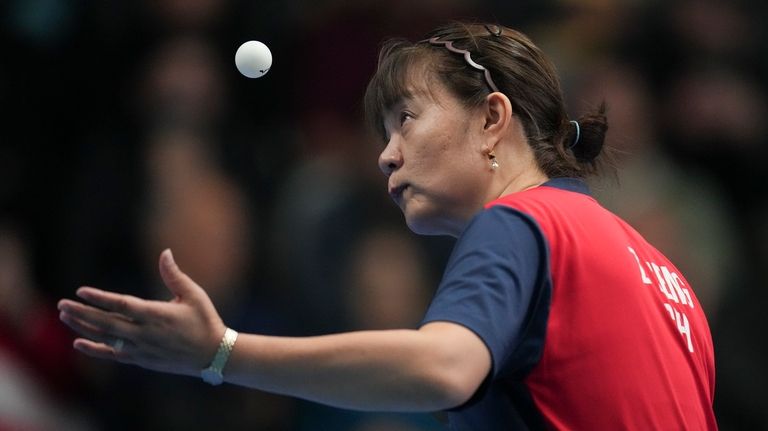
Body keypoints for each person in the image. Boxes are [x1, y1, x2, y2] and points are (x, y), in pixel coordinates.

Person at [58, 22, 717, 430]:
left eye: (406, 118)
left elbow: (443, 367)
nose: (385, 152)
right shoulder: (663, 274)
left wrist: (221, 352)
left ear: (493, 118)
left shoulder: (522, 223)